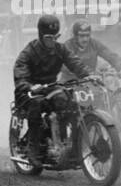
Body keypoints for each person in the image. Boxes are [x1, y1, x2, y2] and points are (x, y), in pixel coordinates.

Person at [13, 14, 93, 164]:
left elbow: (75, 63)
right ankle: (33, 147)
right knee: (37, 104)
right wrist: (30, 86)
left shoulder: (60, 49)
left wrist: (89, 75)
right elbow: (20, 74)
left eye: (57, 36)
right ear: (41, 35)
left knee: (68, 102)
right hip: (28, 92)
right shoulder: (28, 52)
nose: (54, 41)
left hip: (50, 88)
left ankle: (71, 145)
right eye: (50, 37)